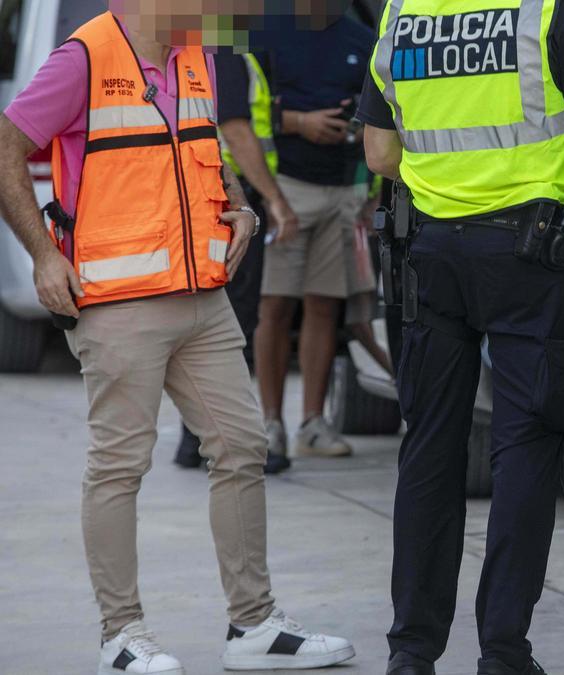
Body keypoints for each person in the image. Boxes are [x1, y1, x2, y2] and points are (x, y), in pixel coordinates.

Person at [0, 4, 354, 673]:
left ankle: (253, 626)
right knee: (118, 465)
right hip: (118, 305)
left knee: (243, 445)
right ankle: (121, 635)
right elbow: (5, 144)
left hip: (203, 297)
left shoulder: (196, 57)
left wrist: (240, 206)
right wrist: (46, 256)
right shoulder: (84, 57)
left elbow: (204, 150)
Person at [359, 1, 564, 673]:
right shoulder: (549, 15)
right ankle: (503, 652)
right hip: (529, 254)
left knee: (429, 447)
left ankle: (411, 652)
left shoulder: (403, 15)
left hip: (431, 254)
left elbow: (379, 150)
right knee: (523, 445)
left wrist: (449, 191)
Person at [251, 9, 379, 461]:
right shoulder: (265, 28)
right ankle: (270, 423)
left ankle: (312, 423)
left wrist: (370, 191)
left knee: (325, 304)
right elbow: (238, 107)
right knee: (276, 305)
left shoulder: (363, 38)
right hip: (286, 187)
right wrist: (299, 123)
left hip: (346, 188)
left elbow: (381, 112)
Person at [176, 50, 299, 474]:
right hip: (229, 200)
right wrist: (277, 201)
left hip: (216, 200)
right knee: (231, 324)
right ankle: (213, 439)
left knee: (215, 319)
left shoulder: (211, 50)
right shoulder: (222, 51)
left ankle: (195, 440)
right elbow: (235, 129)